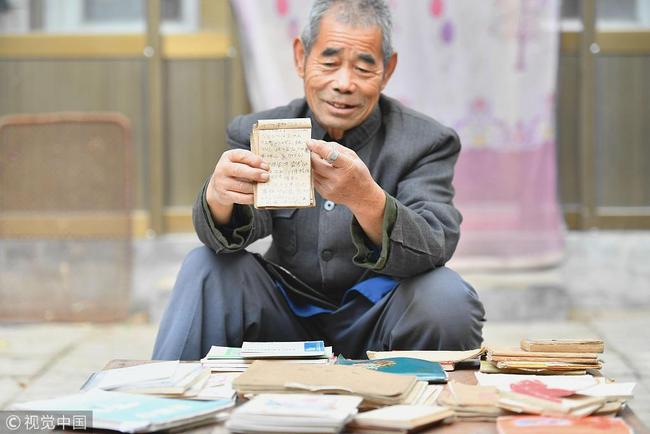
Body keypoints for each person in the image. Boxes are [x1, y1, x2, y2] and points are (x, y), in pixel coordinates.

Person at [153, 0, 485, 361]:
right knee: (205, 266)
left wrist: (366, 198)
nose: (344, 84)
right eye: (329, 63)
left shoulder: (425, 142)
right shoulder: (260, 131)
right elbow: (242, 228)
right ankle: (168, 398)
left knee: (445, 297)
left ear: (388, 70)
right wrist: (220, 199)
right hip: (283, 315)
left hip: (378, 318)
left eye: (363, 67)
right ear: (301, 57)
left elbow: (436, 243)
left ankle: (432, 410)